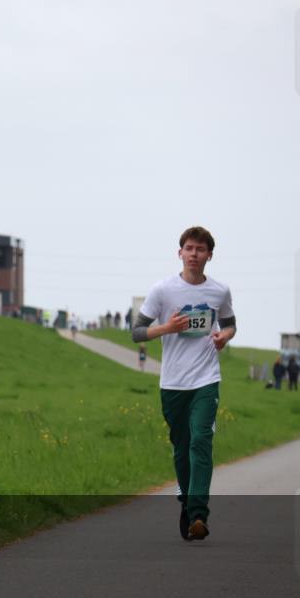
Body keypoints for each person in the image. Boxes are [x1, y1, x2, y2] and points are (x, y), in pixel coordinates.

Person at [132, 227, 236, 542]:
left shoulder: (220, 291)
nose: (194, 254)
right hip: (173, 382)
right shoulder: (163, 291)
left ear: (209, 255)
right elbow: (137, 332)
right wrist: (168, 327)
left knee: (200, 441)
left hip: (206, 379)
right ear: (180, 253)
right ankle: (187, 505)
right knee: (181, 447)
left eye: (200, 249)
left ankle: (199, 514)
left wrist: (223, 337)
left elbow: (230, 324)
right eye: (189, 248)